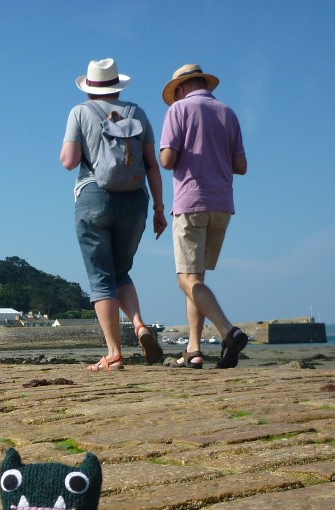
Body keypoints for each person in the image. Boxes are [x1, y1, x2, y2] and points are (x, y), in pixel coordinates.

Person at [61, 58, 167, 372]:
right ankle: (139, 324)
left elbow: (69, 161)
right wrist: (159, 209)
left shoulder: (80, 112)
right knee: (121, 272)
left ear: (89, 87)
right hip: (135, 202)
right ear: (117, 86)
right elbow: (152, 166)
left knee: (101, 279)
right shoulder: (139, 113)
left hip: (94, 196)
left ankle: (114, 354)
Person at [159, 64, 248, 369]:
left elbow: (167, 160)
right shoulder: (228, 113)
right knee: (196, 279)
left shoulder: (179, 110)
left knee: (185, 280)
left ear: (181, 88)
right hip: (222, 204)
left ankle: (228, 331)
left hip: (191, 200)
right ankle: (194, 349)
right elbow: (241, 166)